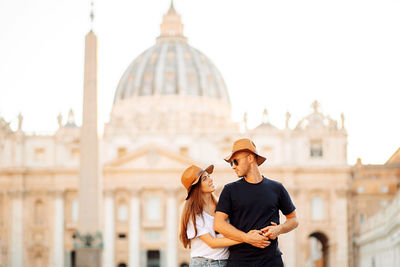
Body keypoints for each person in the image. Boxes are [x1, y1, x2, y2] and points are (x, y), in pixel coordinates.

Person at [214, 138, 299, 267]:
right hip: (239, 262)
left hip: (271, 261)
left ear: (250, 158)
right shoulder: (229, 190)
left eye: (235, 161)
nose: (233, 167)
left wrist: (279, 229)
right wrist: (246, 238)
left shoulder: (277, 188)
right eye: (231, 163)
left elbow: (293, 220)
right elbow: (218, 224)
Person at [179, 164, 269, 267]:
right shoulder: (193, 213)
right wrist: (246, 238)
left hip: (226, 262)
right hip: (204, 263)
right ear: (196, 187)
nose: (210, 180)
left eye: (208, 176)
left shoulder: (220, 204)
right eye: (204, 179)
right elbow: (212, 243)